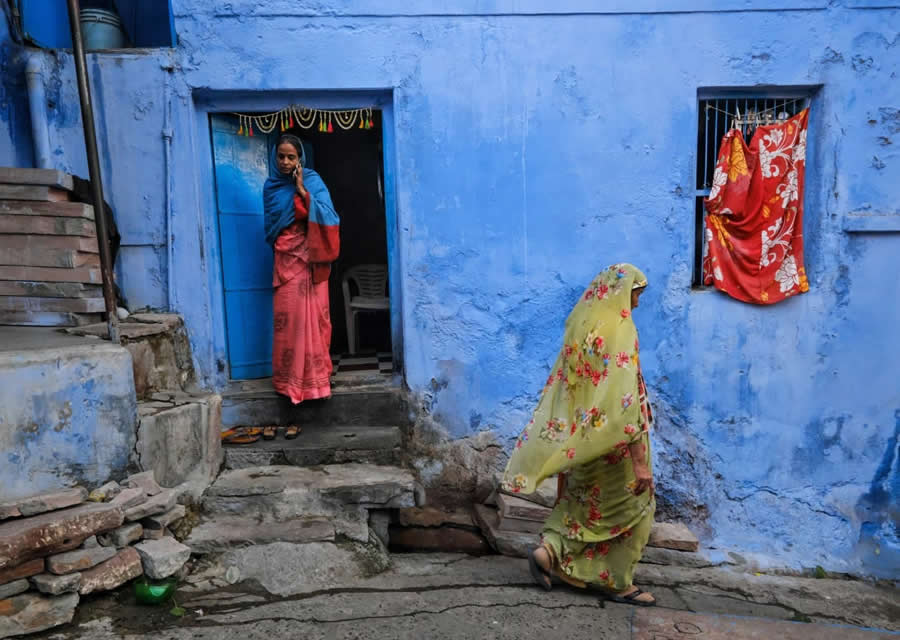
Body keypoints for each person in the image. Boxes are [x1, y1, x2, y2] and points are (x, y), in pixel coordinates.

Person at [501, 263, 656, 606]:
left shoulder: (581, 326)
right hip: (616, 444)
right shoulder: (620, 329)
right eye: (636, 295)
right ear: (620, 293)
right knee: (633, 510)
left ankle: (549, 552)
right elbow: (623, 400)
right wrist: (640, 461)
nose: (637, 304)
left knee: (583, 505)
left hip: (585, 439)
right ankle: (617, 584)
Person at [263, 135, 340, 421]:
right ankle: (288, 383)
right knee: (290, 322)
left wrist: (302, 191)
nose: (285, 162)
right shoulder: (270, 188)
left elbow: (330, 217)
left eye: (291, 157)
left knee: (315, 321)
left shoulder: (313, 181)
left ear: (300, 159)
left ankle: (316, 383)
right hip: (285, 262)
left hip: (310, 262)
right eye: (281, 157)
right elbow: (272, 227)